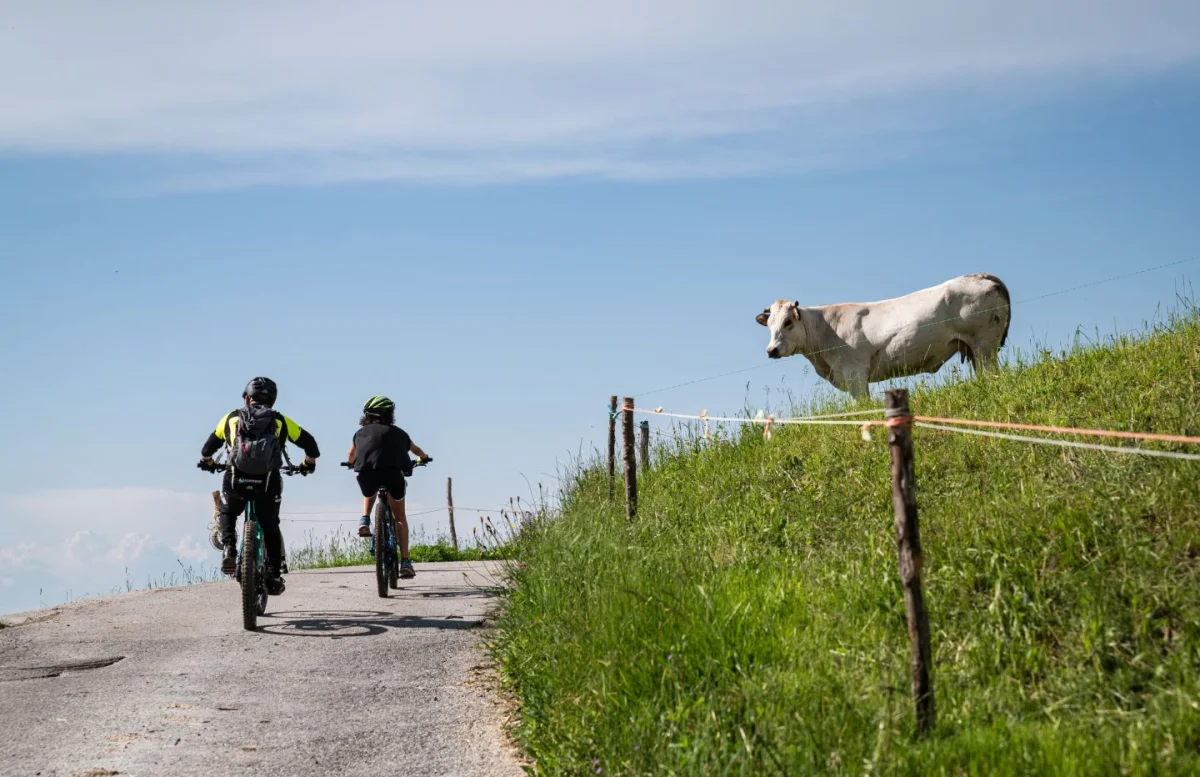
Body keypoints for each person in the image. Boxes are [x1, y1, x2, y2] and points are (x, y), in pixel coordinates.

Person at [197, 377, 320, 595]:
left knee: (227, 512)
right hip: (267, 483)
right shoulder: (280, 421)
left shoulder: (231, 418)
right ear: (273, 400)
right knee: (270, 525)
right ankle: (273, 574)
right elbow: (310, 444)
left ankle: (229, 548)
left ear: (247, 398)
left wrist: (207, 461)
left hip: (236, 481)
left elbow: (207, 448)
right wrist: (308, 464)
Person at [346, 395, 430, 579]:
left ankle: (364, 519)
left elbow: (351, 456)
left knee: (370, 490)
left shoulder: (359, 434)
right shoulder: (400, 433)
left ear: (367, 415)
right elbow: (416, 450)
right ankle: (405, 562)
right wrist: (424, 458)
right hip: (393, 476)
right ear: (390, 414)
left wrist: (351, 463)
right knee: (399, 517)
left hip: (367, 476)